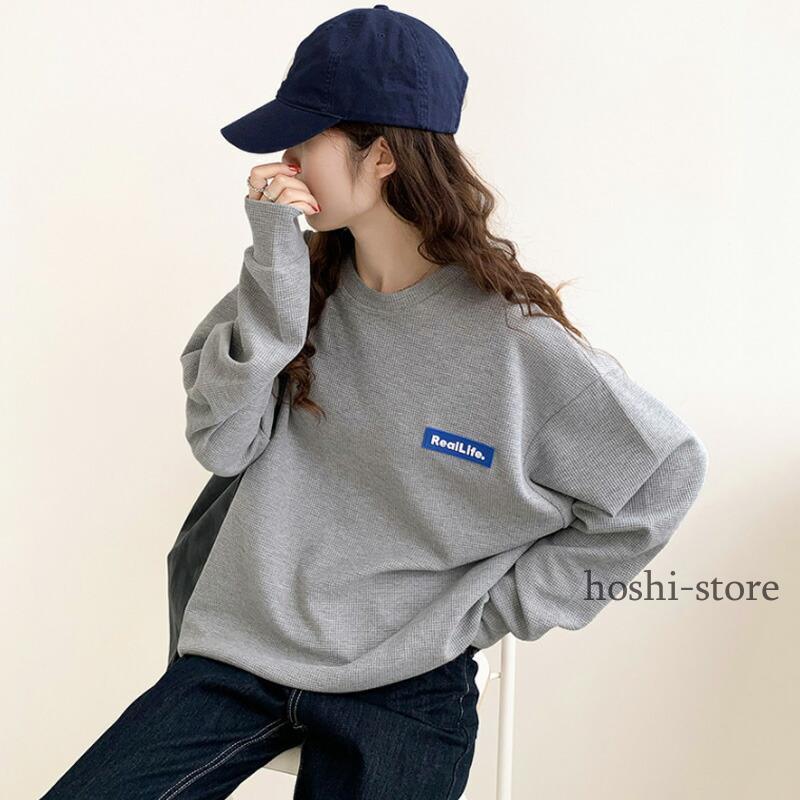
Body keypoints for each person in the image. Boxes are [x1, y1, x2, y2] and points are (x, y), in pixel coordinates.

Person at [41, 5, 708, 799]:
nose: (283, 163)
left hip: (407, 683)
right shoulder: (294, 282)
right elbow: (222, 443)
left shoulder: (513, 344)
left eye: (304, 140)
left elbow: (668, 473)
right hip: (241, 653)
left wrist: (496, 609)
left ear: (383, 154)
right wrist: (276, 263)